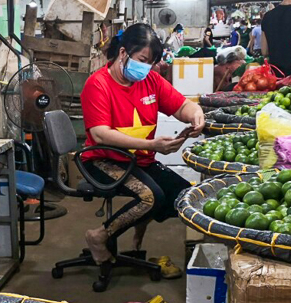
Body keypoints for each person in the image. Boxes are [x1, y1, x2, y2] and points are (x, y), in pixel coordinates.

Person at [79, 23, 206, 266]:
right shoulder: (98, 84)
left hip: (139, 159)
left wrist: (195, 114)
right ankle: (98, 236)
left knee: (183, 195)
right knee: (150, 197)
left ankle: (136, 239)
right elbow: (101, 134)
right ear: (124, 52)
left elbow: (181, 106)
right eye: (142, 59)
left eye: (151, 62)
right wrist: (152, 145)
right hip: (102, 159)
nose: (146, 67)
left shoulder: (151, 81)